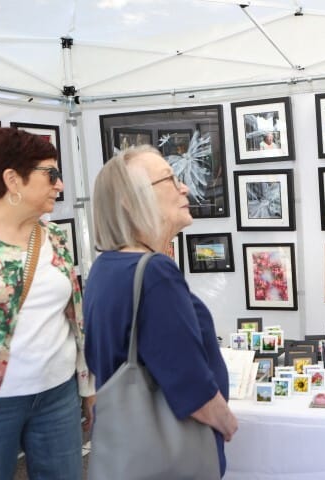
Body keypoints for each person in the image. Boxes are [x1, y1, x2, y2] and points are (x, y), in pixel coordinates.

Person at [84, 145, 237, 477]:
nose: (184, 187)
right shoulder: (153, 272)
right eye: (169, 179)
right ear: (129, 201)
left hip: (132, 450)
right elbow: (190, 385)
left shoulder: (106, 267)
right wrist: (226, 422)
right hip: (170, 454)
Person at [0, 127, 95, 479]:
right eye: (51, 174)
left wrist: (87, 385)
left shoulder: (55, 237)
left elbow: (73, 315)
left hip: (58, 395)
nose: (60, 184)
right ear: (13, 179)